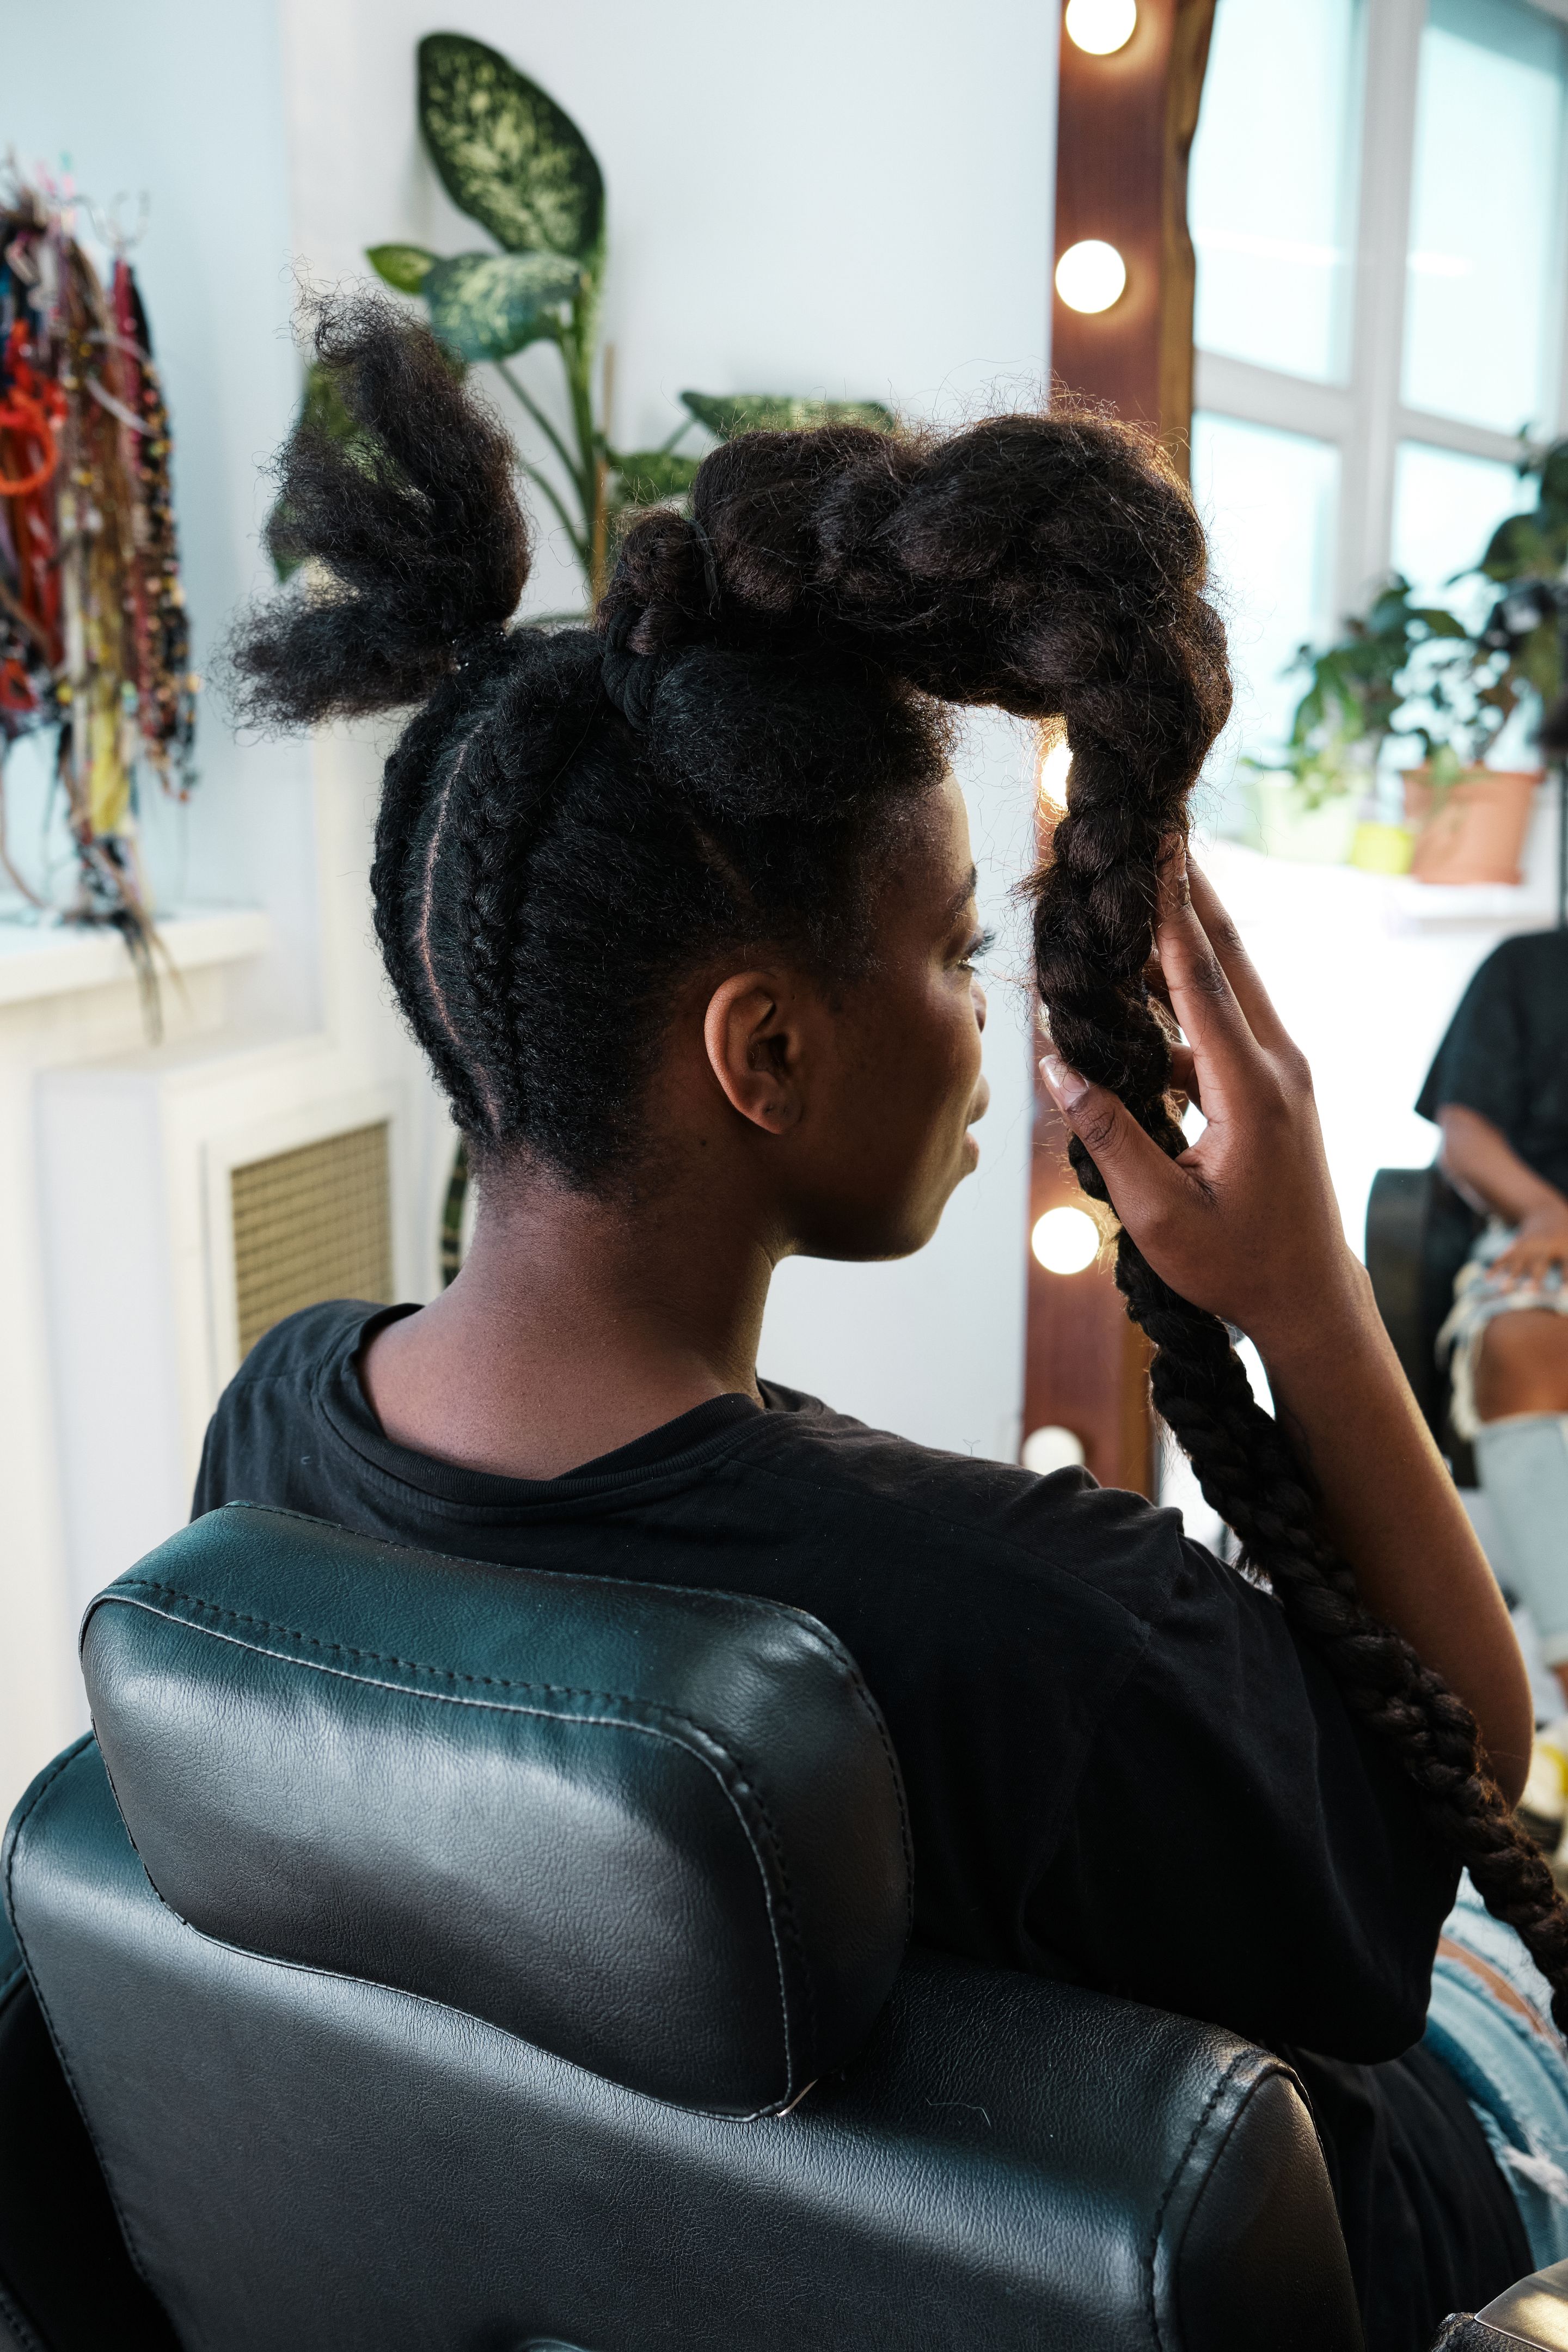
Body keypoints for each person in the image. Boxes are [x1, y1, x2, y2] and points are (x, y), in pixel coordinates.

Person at [206, 298, 1568, 2350]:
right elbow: (1452, 1805)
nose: (981, 1021)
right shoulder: (1032, 1623)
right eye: (946, 945)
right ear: (761, 1048)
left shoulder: (280, 1428)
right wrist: (1299, 1300)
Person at [1417, 933, 1568, 1698]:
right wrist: (1548, 1212)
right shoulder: (1526, 970)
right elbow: (1466, 1140)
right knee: (1517, 1341)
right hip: (1541, 1232)